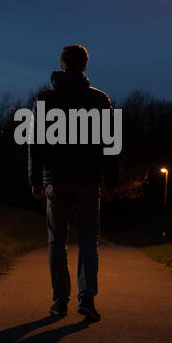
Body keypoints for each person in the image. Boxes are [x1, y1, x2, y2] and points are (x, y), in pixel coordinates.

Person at [28, 45, 119, 321]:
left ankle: (59, 301)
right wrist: (111, 181)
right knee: (89, 239)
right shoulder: (100, 100)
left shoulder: (44, 99)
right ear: (85, 67)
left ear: (62, 65)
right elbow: (110, 145)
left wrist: (35, 179)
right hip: (88, 181)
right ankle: (87, 298)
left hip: (56, 179)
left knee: (57, 241)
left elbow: (35, 144)